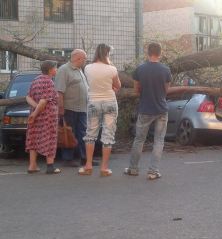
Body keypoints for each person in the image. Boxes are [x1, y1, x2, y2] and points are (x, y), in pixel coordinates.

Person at [124, 42, 172, 180]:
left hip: (145, 108)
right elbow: (166, 90)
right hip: (161, 109)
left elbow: (136, 90)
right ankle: (153, 171)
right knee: (158, 141)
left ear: (148, 52)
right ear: (160, 53)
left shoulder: (140, 69)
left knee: (139, 140)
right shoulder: (165, 70)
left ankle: (133, 169)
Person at [78, 44, 121, 176]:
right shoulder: (112, 69)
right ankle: (104, 168)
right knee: (108, 135)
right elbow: (117, 86)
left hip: (93, 102)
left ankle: (88, 166)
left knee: (90, 134)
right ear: (107, 54)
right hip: (110, 102)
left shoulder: (87, 68)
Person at [55, 49, 95, 167]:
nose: (85, 61)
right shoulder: (64, 70)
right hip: (69, 108)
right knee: (68, 132)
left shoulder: (79, 70)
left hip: (82, 108)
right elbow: (59, 91)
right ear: (78, 58)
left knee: (83, 133)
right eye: (84, 58)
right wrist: (61, 108)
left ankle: (85, 158)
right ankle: (68, 159)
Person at [25, 60, 61, 174]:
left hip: (35, 113)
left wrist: (35, 110)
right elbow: (44, 100)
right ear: (50, 70)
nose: (57, 70)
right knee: (49, 137)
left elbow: (28, 97)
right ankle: (50, 166)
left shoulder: (36, 80)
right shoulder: (49, 82)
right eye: (56, 68)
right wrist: (36, 112)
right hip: (47, 115)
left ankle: (32, 165)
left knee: (34, 137)